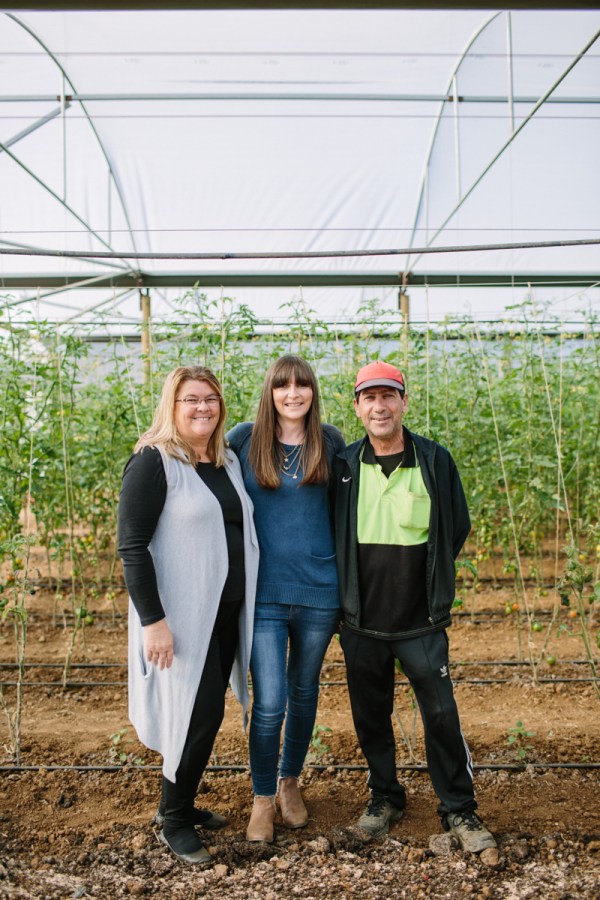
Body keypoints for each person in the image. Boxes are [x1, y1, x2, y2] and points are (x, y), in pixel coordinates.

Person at [332, 360, 496, 853]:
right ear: (357, 407)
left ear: (404, 402)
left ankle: (459, 807)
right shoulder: (344, 466)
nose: (379, 406)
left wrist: (431, 582)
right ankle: (385, 797)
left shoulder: (433, 460)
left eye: (389, 396)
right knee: (370, 715)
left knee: (441, 713)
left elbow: (456, 526)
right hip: (362, 620)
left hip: (420, 619)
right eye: (369, 398)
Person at [118, 365, 259, 865]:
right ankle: (173, 820)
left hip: (223, 613)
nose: (203, 407)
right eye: (191, 399)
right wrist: (153, 621)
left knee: (203, 713)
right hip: (179, 618)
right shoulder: (154, 462)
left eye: (211, 399)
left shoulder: (226, 461)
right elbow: (133, 547)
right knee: (198, 715)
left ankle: (177, 802)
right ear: (172, 406)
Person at [228, 355, 344, 843]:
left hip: (320, 592)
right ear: (270, 392)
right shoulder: (243, 439)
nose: (292, 394)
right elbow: (197, 464)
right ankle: (261, 798)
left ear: (313, 392)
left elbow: (346, 512)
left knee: (304, 691)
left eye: (302, 385)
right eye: (282, 386)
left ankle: (289, 781)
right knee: (270, 700)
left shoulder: (330, 441)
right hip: (263, 595)